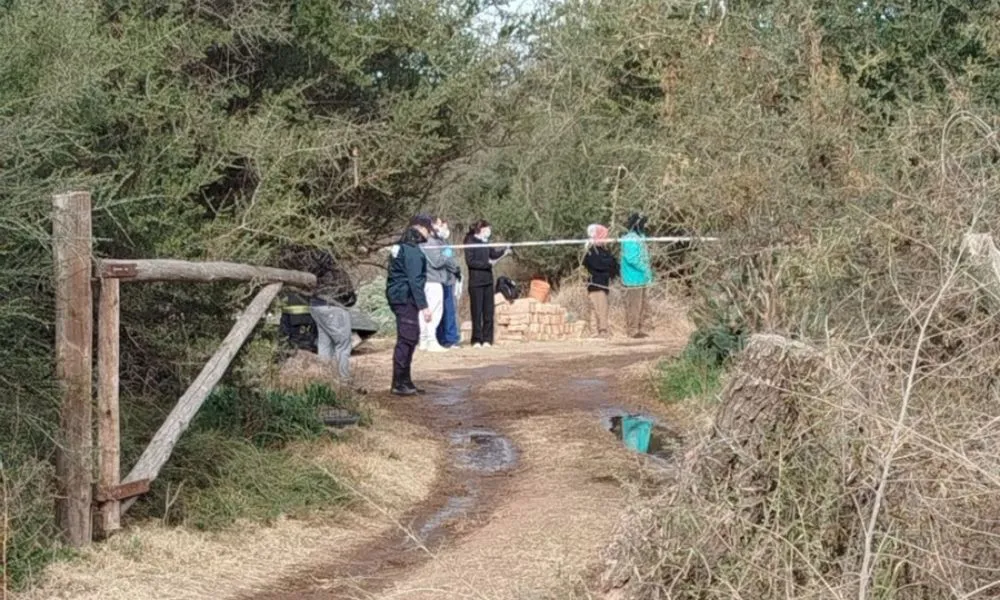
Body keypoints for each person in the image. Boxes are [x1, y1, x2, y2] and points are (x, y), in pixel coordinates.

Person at [386, 214, 434, 395]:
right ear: (420, 228)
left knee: (410, 337)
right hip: (405, 297)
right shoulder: (411, 250)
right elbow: (415, 280)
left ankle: (405, 380)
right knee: (407, 338)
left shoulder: (401, 246)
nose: (429, 234)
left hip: (400, 295)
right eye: (428, 230)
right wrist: (424, 306)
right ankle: (399, 383)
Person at [299, 248, 360, 389]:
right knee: (343, 345)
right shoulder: (337, 272)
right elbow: (348, 293)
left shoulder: (314, 272)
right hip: (334, 307)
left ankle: (324, 379)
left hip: (316, 307)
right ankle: (343, 380)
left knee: (324, 343)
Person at [463, 220, 511, 348]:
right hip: (476, 282)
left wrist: (505, 250)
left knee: (488, 311)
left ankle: (487, 339)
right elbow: (470, 262)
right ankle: (477, 339)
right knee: (477, 312)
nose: (489, 231)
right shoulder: (470, 242)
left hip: (488, 281)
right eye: (487, 229)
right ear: (481, 229)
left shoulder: (486, 242)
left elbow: (494, 254)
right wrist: (487, 264)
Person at [419, 217, 461, 352]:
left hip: (436, 280)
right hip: (433, 281)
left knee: (431, 311)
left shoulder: (438, 242)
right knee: (433, 311)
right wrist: (447, 253)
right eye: (440, 225)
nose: (443, 228)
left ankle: (426, 340)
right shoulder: (430, 242)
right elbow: (437, 261)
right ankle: (429, 339)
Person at [620, 213, 653, 338]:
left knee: (642, 305)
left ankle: (639, 328)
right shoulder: (630, 238)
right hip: (632, 278)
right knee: (634, 305)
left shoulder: (640, 237)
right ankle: (632, 330)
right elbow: (632, 258)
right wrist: (644, 268)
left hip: (641, 278)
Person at [583, 224, 618, 338]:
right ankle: (601, 331)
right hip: (595, 284)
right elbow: (599, 265)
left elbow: (613, 264)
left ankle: (602, 330)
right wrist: (608, 266)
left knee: (603, 307)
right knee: (598, 308)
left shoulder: (602, 251)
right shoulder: (591, 251)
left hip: (603, 283)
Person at [435, 220, 463, 349]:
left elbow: (451, 260)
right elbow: (442, 261)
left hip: (449, 280)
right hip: (441, 280)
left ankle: (451, 338)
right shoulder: (434, 243)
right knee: (442, 311)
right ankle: (444, 338)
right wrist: (454, 268)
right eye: (442, 226)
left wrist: (457, 270)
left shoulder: (446, 243)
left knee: (449, 310)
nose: (445, 229)